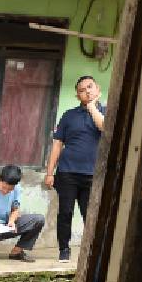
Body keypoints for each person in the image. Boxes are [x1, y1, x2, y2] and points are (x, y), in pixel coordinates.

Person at [44, 75, 105, 261]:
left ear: (98, 89)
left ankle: (91, 251)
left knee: (90, 215)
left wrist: (92, 107)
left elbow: (104, 127)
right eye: (82, 90)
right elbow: (57, 144)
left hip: (92, 175)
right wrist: (49, 172)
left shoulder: (106, 112)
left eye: (90, 87)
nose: (87, 91)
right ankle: (64, 249)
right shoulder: (69, 115)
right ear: (77, 96)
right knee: (65, 213)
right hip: (68, 172)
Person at [0, 164, 45, 262]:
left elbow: (15, 209)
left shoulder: (17, 189)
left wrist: (12, 221)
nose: (6, 191)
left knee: (38, 219)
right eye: (3, 187)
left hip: (4, 226)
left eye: (10, 189)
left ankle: (17, 251)